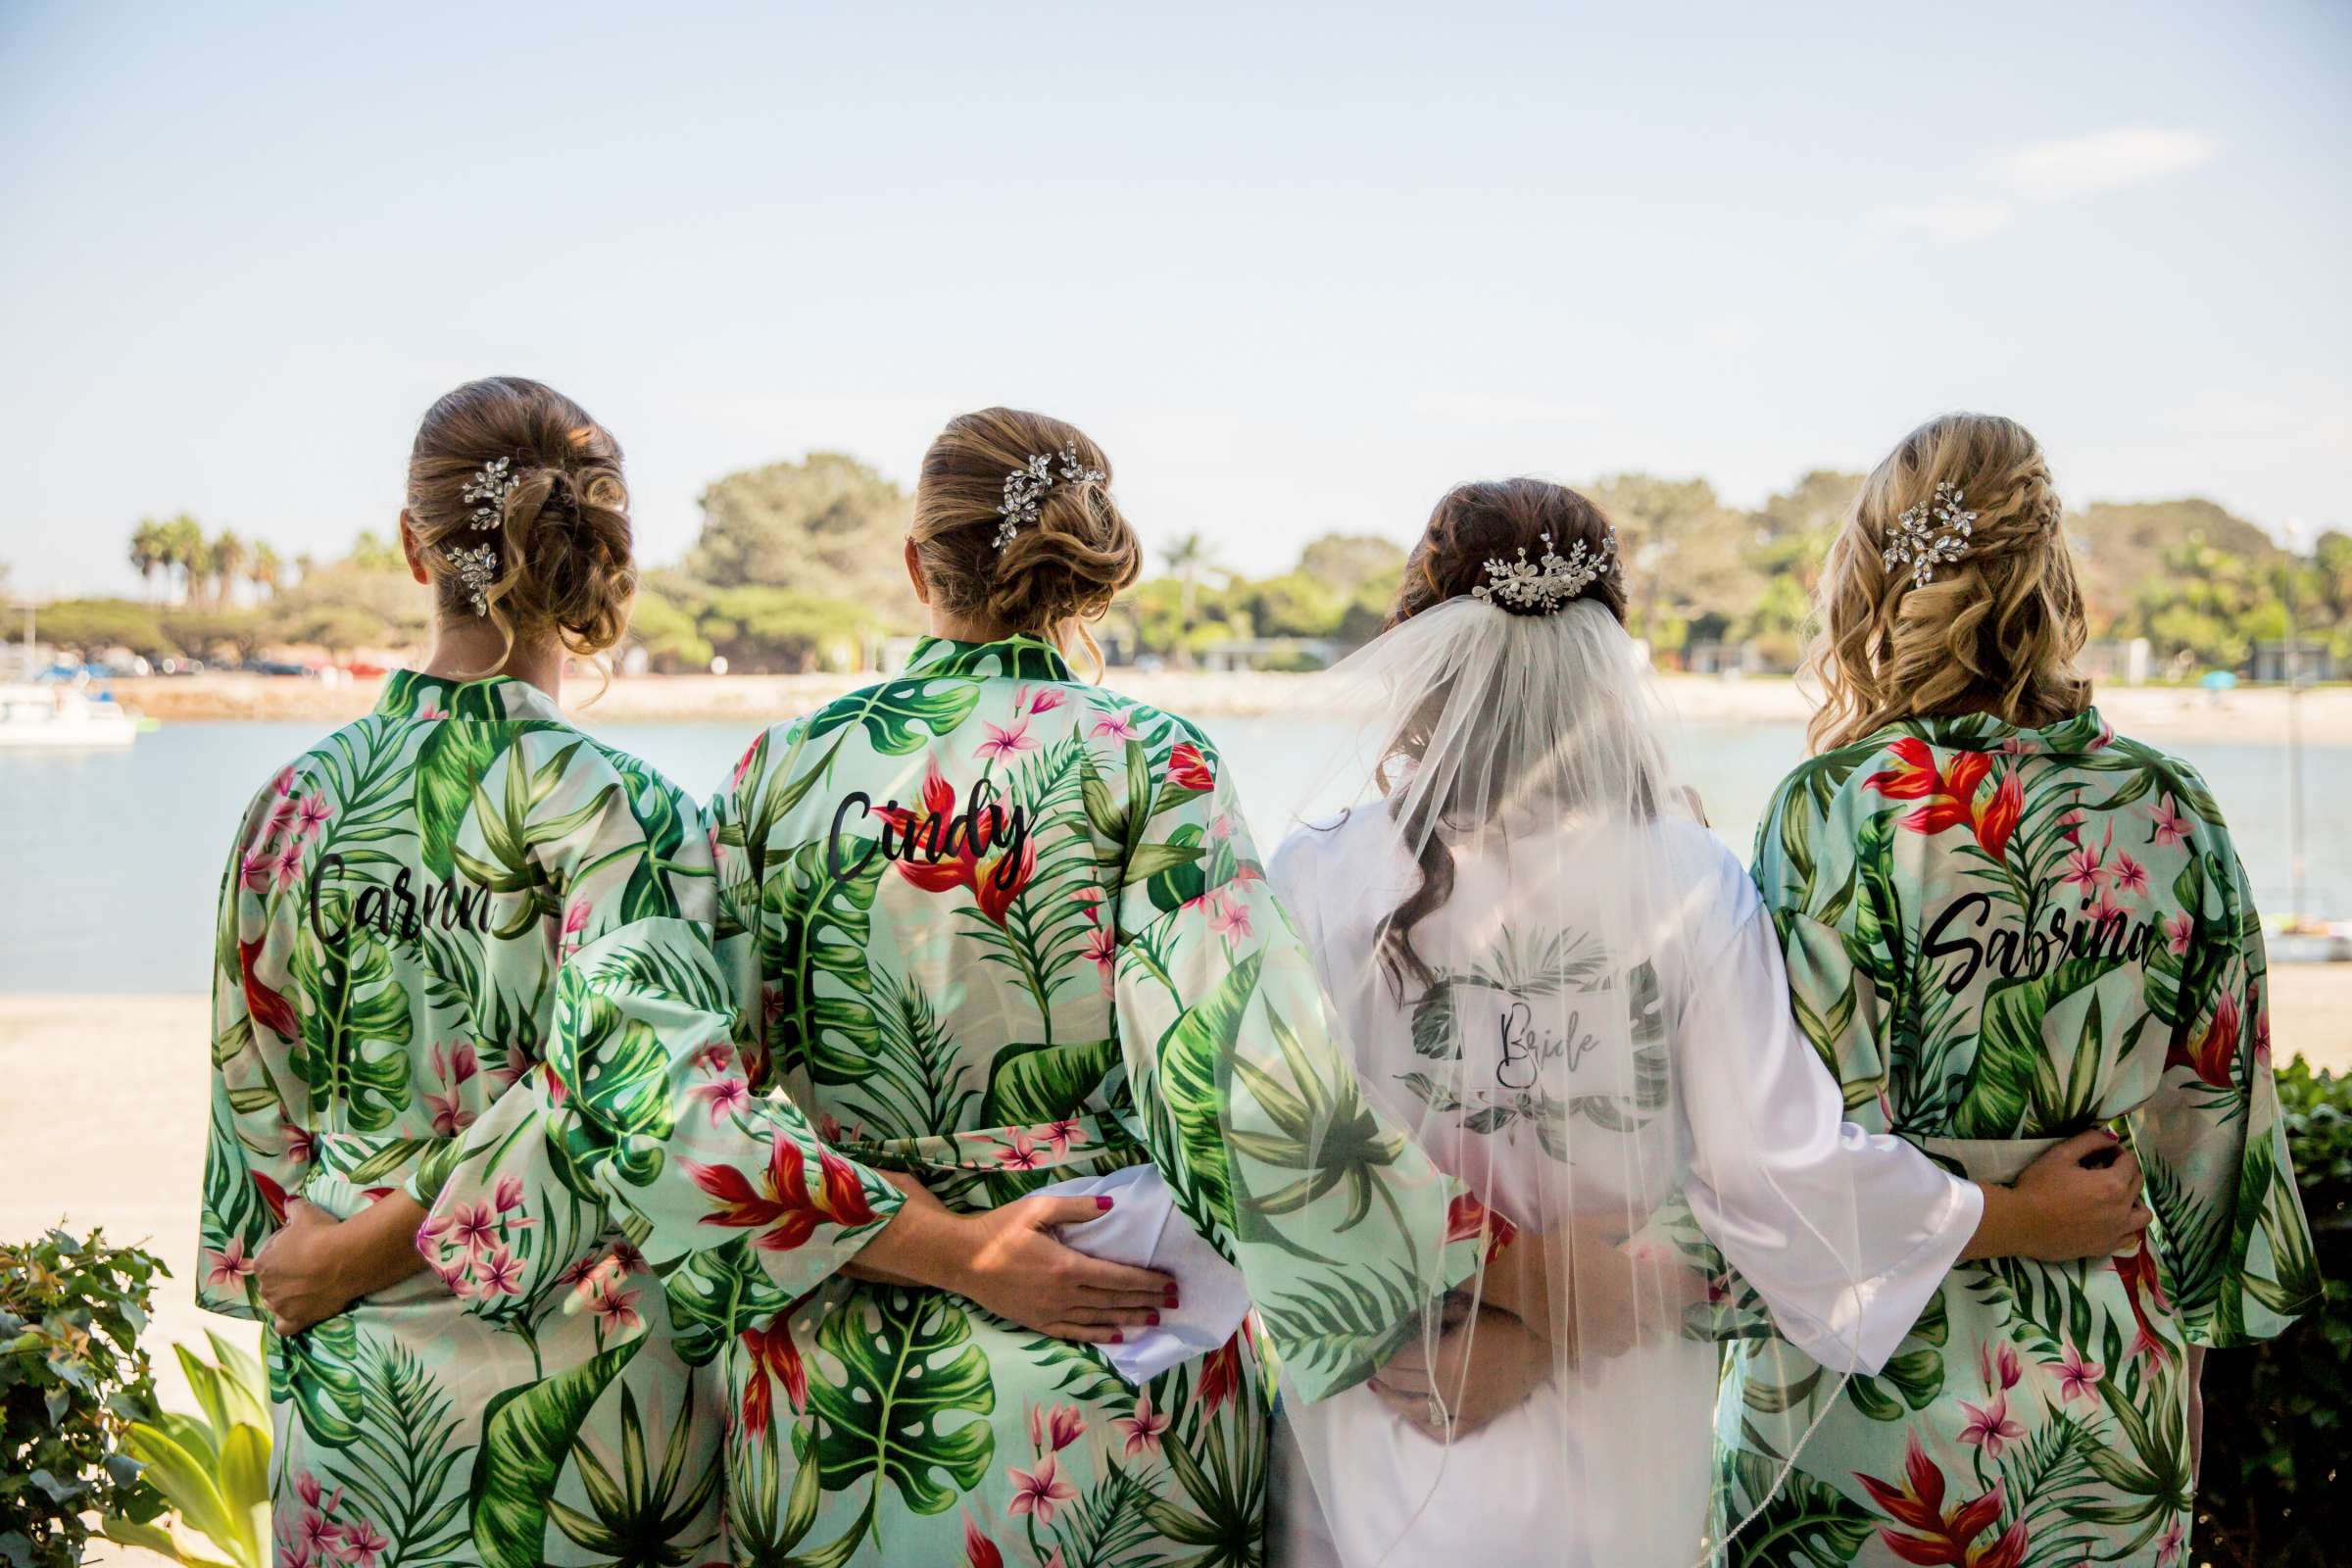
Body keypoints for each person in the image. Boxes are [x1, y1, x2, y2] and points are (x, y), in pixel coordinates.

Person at [419, 406, 1476, 1565]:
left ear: (919, 567)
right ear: (1090, 583)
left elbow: (665, 1087)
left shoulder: (779, 774)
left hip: (836, 1388)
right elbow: (1242, 1073)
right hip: (1118, 1351)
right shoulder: (1152, 762)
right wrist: (1432, 1274)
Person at [1263, 476, 2156, 1568]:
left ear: (1419, 648)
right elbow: (1775, 1168)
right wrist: (2022, 1216)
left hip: (1395, 1399)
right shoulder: (1687, 878)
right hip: (1613, 1414)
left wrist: (1496, 1287)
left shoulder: (1313, 876)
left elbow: (1273, 1156)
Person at [1713, 414, 2322, 1567]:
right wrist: (2173, 1365)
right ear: (2051, 572)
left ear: (1875, 574)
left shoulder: (1827, 811)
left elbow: (1797, 1152)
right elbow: (2216, 1132)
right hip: (2102, 1396)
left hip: (1870, 1419)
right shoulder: (2170, 806)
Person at [200, 376, 746, 1560]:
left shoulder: (298, 807)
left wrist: (334, 1257)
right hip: (599, 1411)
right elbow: (638, 1110)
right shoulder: (634, 814)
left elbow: (259, 1104)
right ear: (597, 555)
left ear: (413, 545)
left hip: (357, 1388)